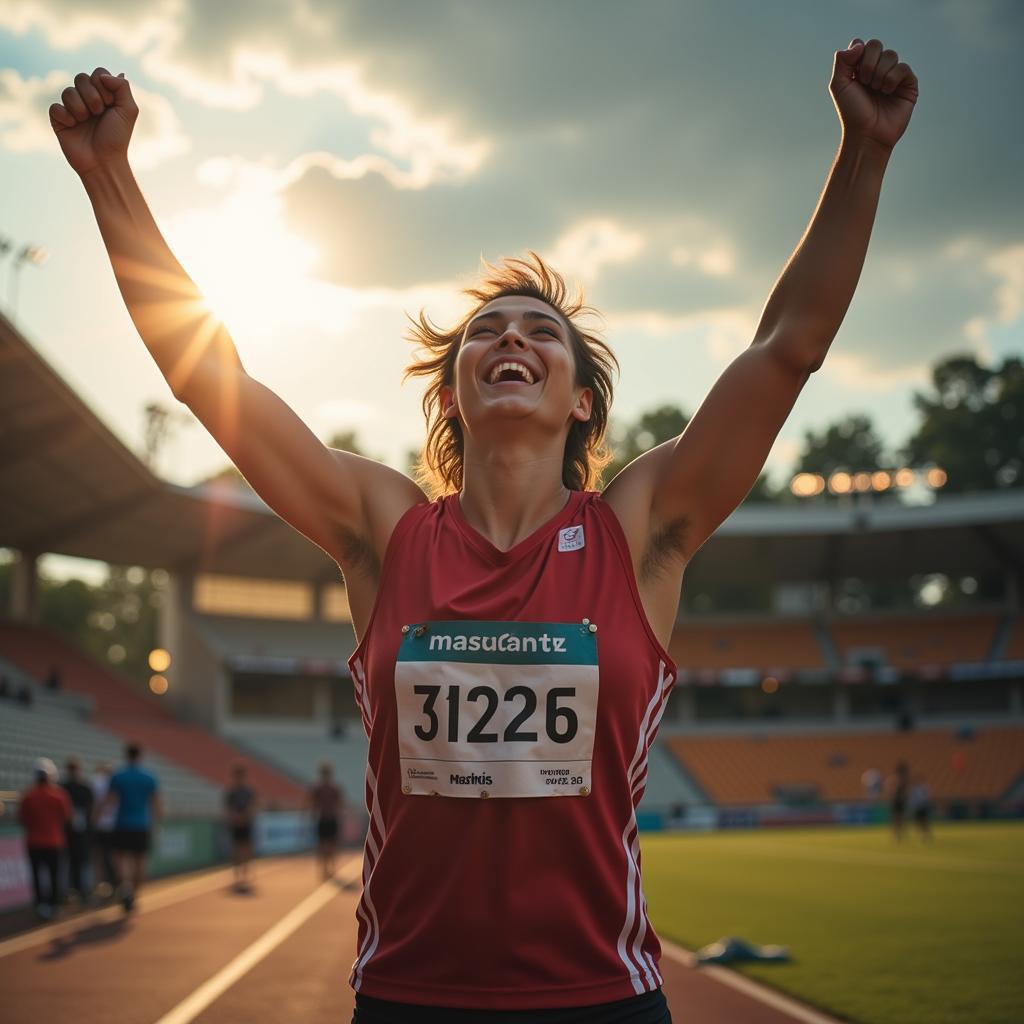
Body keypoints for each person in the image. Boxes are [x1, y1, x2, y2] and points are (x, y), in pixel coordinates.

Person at [50, 36, 918, 1022]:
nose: (510, 336)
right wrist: (109, 174)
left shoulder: (642, 528)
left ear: (583, 404)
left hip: (604, 1001)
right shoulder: (384, 527)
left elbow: (785, 348)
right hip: (408, 1000)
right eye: (486, 333)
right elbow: (210, 382)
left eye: (540, 331)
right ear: (454, 394)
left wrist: (864, 154)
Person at [100, 742, 160, 912]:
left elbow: (109, 801)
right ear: (140, 756)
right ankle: (134, 894)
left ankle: (125, 887)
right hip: (141, 826)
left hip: (122, 825)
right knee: (140, 862)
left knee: (120, 860)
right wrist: (155, 825)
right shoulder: (149, 778)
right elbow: (156, 805)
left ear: (126, 756)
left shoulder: (118, 777)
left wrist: (97, 817)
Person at [18, 758, 71, 919]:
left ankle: (41, 904)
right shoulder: (59, 796)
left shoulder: (28, 795)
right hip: (54, 842)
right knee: (54, 875)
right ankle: (54, 904)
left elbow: (21, 819)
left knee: (37, 875)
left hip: (34, 843)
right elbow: (67, 817)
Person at [61, 756, 94, 903]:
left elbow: (91, 809)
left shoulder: (85, 788)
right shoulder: (62, 788)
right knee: (69, 862)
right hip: (67, 832)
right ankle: (69, 891)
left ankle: (83, 891)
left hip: (83, 833)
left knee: (83, 861)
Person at [224, 762, 258, 891]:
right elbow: (227, 808)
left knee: (246, 850)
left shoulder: (249, 791)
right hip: (235, 825)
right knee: (236, 850)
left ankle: (245, 874)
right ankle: (237, 876)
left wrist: (246, 816)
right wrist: (235, 817)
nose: (240, 777)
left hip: (247, 824)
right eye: (237, 774)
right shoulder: (231, 792)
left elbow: (254, 806)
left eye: (242, 774)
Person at [309, 762, 344, 880]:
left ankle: (330, 868)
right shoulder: (317, 789)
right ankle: (325, 869)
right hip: (323, 819)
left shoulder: (334, 789)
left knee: (331, 845)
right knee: (323, 845)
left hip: (331, 819)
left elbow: (340, 803)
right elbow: (312, 804)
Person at [90, 760, 118, 897]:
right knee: (108, 857)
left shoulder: (98, 781)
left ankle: (103, 884)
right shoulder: (106, 782)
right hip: (110, 826)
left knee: (100, 857)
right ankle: (110, 884)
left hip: (103, 826)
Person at [887, 760, 910, 842]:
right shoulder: (895, 779)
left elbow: (907, 791)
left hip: (901, 801)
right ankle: (896, 835)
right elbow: (890, 789)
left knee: (900, 818)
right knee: (896, 819)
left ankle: (899, 834)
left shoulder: (904, 780)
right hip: (896, 801)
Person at [909, 775, 933, 842]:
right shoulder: (913, 789)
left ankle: (926, 834)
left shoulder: (924, 788)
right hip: (917, 808)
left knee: (924, 822)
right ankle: (922, 835)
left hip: (923, 807)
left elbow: (927, 797)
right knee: (918, 822)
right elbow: (912, 799)